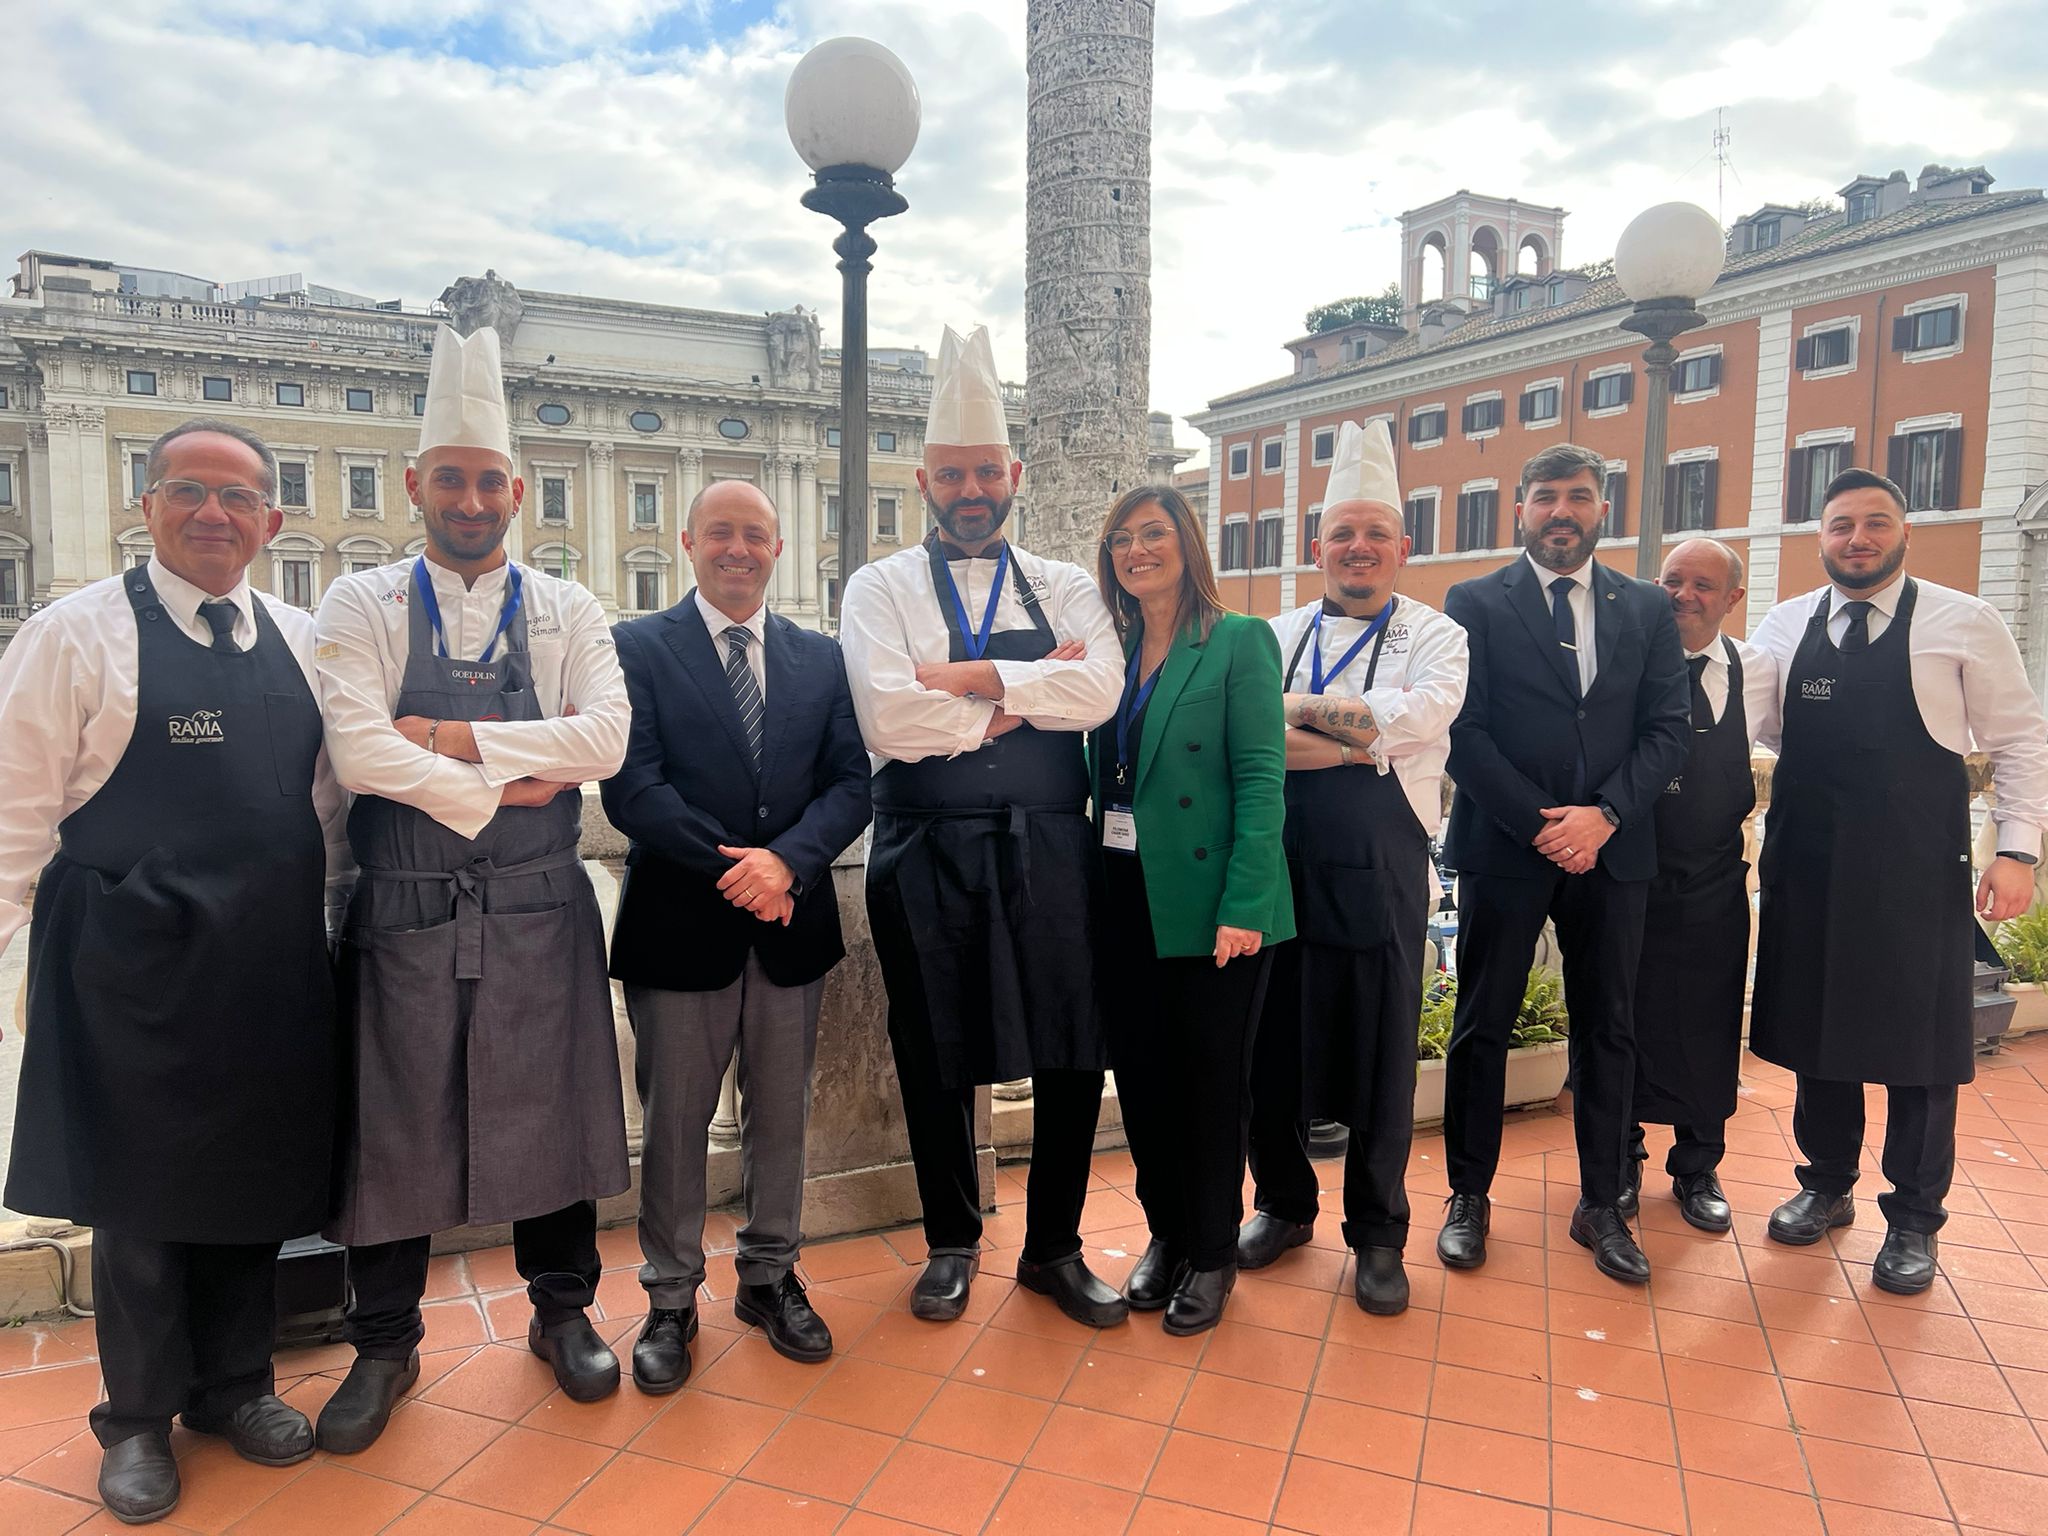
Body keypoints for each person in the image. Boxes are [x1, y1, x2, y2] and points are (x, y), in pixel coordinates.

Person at [0, 419, 346, 1524]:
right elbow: (12, 818)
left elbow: (328, 808)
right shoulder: (73, 635)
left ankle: (236, 1388)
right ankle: (138, 1419)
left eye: (238, 497)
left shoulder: (304, 638)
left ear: (271, 520)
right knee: (138, 1197)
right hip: (128, 962)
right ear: (146, 505)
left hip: (266, 960)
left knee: (253, 1181)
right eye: (189, 491)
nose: (213, 513)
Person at [311, 325, 633, 1450]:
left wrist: (445, 737)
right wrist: (514, 780)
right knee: (390, 1124)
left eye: (490, 480)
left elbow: (605, 737)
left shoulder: (567, 609)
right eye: (449, 478)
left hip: (541, 905)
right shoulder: (357, 604)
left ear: (517, 492)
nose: (471, 499)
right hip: (402, 905)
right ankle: (384, 1344)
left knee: (556, 1110)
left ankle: (564, 1311)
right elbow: (359, 752)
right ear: (415, 486)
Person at [840, 324, 1128, 1329]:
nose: (971, 490)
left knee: (1070, 1047)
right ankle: (951, 1242)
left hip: (1051, 845)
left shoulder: (1066, 582)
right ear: (924, 480)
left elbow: (1099, 691)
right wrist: (1025, 693)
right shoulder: (876, 587)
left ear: (1014, 476)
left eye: (986, 472)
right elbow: (888, 720)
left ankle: (1053, 1248)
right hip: (923, 849)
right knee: (932, 1047)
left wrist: (965, 681)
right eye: (953, 474)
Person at [1749, 468, 2048, 1294]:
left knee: (1921, 1048)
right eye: (1841, 524)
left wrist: (2018, 852)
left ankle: (1914, 1219)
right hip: (1809, 863)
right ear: (1821, 537)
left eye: (1875, 522)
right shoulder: (1785, 624)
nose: (1858, 538)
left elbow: (2021, 740)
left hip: (1917, 866)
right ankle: (1825, 1184)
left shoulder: (1965, 620)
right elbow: (1748, 724)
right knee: (1817, 1033)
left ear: (1904, 532)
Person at [603, 480, 871, 1390]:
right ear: (689, 542)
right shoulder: (637, 647)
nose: (738, 548)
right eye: (720, 531)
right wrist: (743, 872)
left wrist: (786, 863)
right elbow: (631, 788)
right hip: (680, 926)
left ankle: (769, 1277)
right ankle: (670, 1298)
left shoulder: (820, 657)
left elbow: (852, 783)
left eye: (755, 534)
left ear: (778, 547)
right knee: (675, 1124)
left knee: (782, 1116)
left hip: (792, 925)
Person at [1438, 443, 1690, 1285]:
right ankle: (1468, 1196)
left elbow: (1668, 729)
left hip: (1613, 853)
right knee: (1481, 1024)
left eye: (1578, 496)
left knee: (1610, 1028)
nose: (1561, 511)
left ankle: (1602, 1203)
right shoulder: (1474, 601)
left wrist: (1605, 816)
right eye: (1546, 496)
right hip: (1506, 848)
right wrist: (1545, 826)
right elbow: (1462, 730)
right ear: (1521, 508)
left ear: (1601, 509)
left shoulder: (1646, 606)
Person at [1239, 420, 1468, 1315]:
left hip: (1381, 868)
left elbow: (1415, 719)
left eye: (1376, 534)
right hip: (1277, 862)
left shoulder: (1439, 636)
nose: (1359, 547)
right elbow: (1254, 733)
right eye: (1343, 533)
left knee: (1380, 1054)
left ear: (1403, 549)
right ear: (1317, 548)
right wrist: (1354, 737)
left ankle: (1378, 1234)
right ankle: (1284, 1205)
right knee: (1269, 1043)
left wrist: (1296, 714)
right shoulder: (1272, 631)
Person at [1092, 483, 1292, 1335]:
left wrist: (1244, 904)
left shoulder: (1239, 639)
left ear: (1187, 544)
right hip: (1123, 894)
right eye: (1122, 540)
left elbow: (1261, 779)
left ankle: (1212, 1253)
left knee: (1209, 1086)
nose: (1136, 551)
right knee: (1142, 1081)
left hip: (1214, 904)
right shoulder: (1108, 648)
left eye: (1153, 534)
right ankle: (1166, 1233)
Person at [1622, 537, 1777, 1233]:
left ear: (1733, 598)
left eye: (1703, 585)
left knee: (1709, 1022)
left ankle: (1698, 1164)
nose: (1684, 595)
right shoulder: (1626, 662)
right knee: (1620, 1018)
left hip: (1713, 878)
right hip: (1629, 872)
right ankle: (1618, 1155)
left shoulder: (1759, 671)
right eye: (1672, 581)